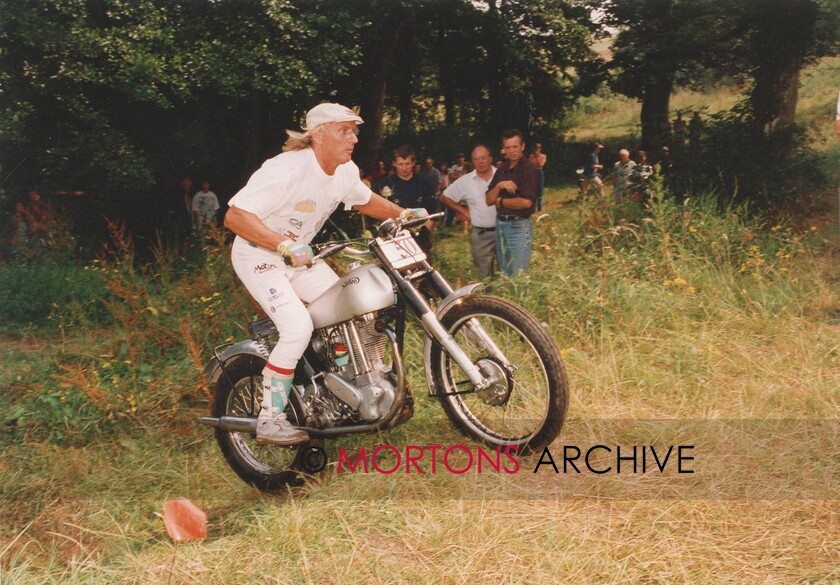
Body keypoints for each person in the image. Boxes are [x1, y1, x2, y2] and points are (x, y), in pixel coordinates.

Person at [224, 103, 427, 445]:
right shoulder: (285, 169)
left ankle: (345, 390)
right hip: (259, 256)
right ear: (319, 136)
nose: (354, 139)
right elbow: (235, 217)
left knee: (352, 310)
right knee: (297, 328)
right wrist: (283, 245)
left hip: (300, 258)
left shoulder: (345, 170)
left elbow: (365, 200)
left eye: (355, 131)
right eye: (344, 131)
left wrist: (403, 214)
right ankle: (269, 420)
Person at [485, 129, 540, 277]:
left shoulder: (529, 170)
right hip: (500, 226)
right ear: (504, 149)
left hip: (519, 227)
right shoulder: (501, 170)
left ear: (522, 146)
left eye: (515, 147)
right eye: (508, 147)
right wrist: (499, 186)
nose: (512, 151)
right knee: (504, 274)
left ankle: (518, 301)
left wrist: (501, 201)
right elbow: (489, 200)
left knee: (518, 275)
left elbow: (526, 202)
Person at [440, 145, 498, 277]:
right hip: (481, 233)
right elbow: (444, 196)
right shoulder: (466, 181)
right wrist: (463, 210)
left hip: (504, 230)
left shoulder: (502, 174)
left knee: (507, 274)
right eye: (476, 159)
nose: (480, 161)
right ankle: (487, 297)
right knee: (484, 276)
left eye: (483, 157)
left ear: (490, 159)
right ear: (472, 161)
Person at [373, 146, 437, 254]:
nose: (404, 168)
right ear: (394, 164)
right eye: (400, 164)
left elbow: (432, 211)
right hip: (394, 238)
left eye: (407, 164)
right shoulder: (384, 184)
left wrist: (427, 230)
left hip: (420, 237)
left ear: (413, 163)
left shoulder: (425, 183)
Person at [167, 177, 194, 255]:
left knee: (186, 239)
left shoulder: (190, 196)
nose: (188, 187)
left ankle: (185, 256)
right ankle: (176, 258)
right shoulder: (177, 196)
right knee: (177, 239)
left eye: (189, 185)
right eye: (186, 185)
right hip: (178, 222)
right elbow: (171, 210)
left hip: (187, 221)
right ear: (183, 186)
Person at [528, 142, 547, 211]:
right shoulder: (531, 156)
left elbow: (541, 165)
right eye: (536, 148)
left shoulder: (543, 156)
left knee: (540, 190)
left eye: (538, 148)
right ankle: (532, 208)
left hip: (539, 172)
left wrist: (537, 157)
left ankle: (539, 209)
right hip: (533, 173)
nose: (537, 149)